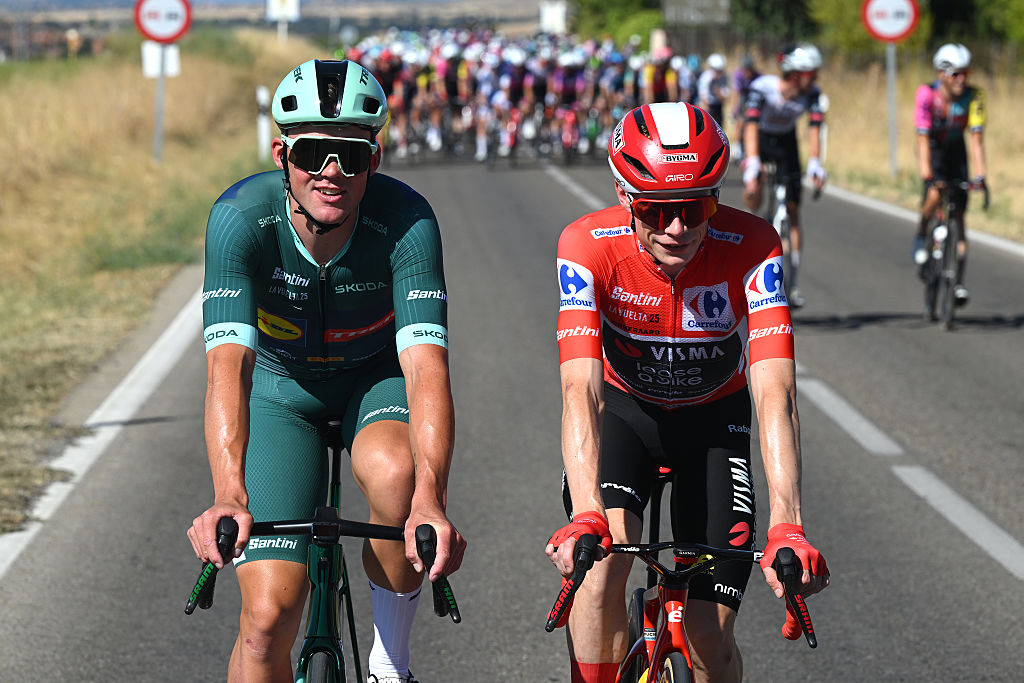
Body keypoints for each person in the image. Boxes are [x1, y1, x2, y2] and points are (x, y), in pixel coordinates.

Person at [186, 59, 466, 683]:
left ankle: (390, 662)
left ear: (376, 156)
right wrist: (229, 493)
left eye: (352, 155)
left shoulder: (408, 222)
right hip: (281, 391)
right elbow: (228, 367)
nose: (332, 172)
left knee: (396, 477)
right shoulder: (239, 219)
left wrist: (431, 501)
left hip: (376, 381)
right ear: (283, 153)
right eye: (313, 152)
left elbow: (425, 369)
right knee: (263, 627)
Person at [546, 101, 829, 683]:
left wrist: (789, 524)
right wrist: (586, 515)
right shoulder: (586, 244)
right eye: (656, 209)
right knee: (600, 570)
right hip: (625, 416)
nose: (677, 227)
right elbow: (581, 388)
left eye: (696, 206)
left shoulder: (754, 244)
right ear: (627, 200)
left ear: (717, 198)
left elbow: (775, 391)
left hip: (713, 425)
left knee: (708, 635)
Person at [740, 43, 828, 309]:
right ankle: (755, 219)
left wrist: (815, 162)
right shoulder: (762, 88)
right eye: (811, 74)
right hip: (762, 139)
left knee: (793, 209)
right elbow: (750, 125)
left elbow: (814, 128)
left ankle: (795, 284)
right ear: (794, 74)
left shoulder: (811, 94)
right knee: (755, 187)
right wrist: (753, 162)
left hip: (787, 143)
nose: (816, 79)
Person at [912, 43, 987, 305]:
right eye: (956, 73)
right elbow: (921, 138)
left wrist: (981, 176)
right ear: (941, 73)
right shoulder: (926, 94)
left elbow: (976, 139)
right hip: (933, 149)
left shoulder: (975, 96)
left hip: (957, 152)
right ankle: (922, 234)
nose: (962, 79)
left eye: (965, 72)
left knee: (959, 215)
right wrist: (927, 174)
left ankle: (958, 282)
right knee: (934, 195)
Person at [697, 52, 730, 126]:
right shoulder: (705, 77)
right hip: (708, 106)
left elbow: (725, 96)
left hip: (718, 106)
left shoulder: (724, 78)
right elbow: (703, 96)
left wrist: (718, 90)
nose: (719, 73)